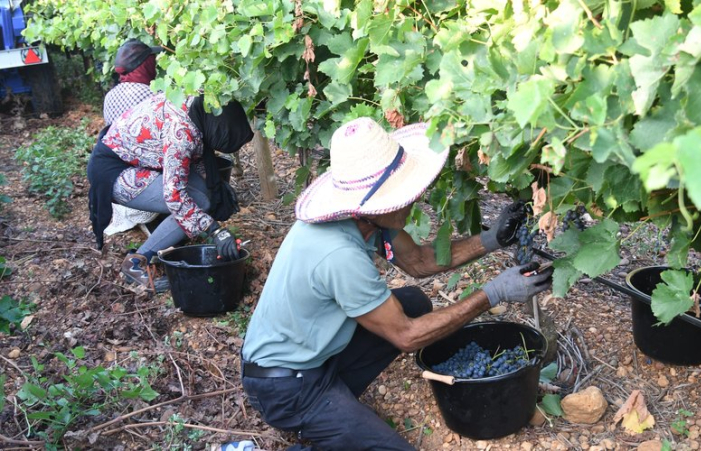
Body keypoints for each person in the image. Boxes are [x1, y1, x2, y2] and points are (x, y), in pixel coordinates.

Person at [241, 117, 553, 450]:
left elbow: (418, 261)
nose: (413, 199)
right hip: (286, 389)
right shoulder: (338, 254)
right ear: (372, 202)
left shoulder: (365, 220)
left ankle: (338, 409)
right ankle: (321, 421)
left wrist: (491, 239)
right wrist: (494, 293)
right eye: (403, 193)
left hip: (314, 357)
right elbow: (407, 336)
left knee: (415, 303)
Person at [87, 93, 254, 292]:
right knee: (199, 203)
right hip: (113, 170)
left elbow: (196, 157)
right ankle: (136, 262)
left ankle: (169, 238)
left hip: (141, 159)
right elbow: (175, 197)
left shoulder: (198, 102)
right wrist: (215, 231)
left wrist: (216, 186)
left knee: (205, 198)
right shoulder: (181, 133)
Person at [102, 38, 163, 237]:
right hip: (145, 173)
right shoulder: (153, 94)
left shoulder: (111, 95)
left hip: (117, 172)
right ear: (145, 66)